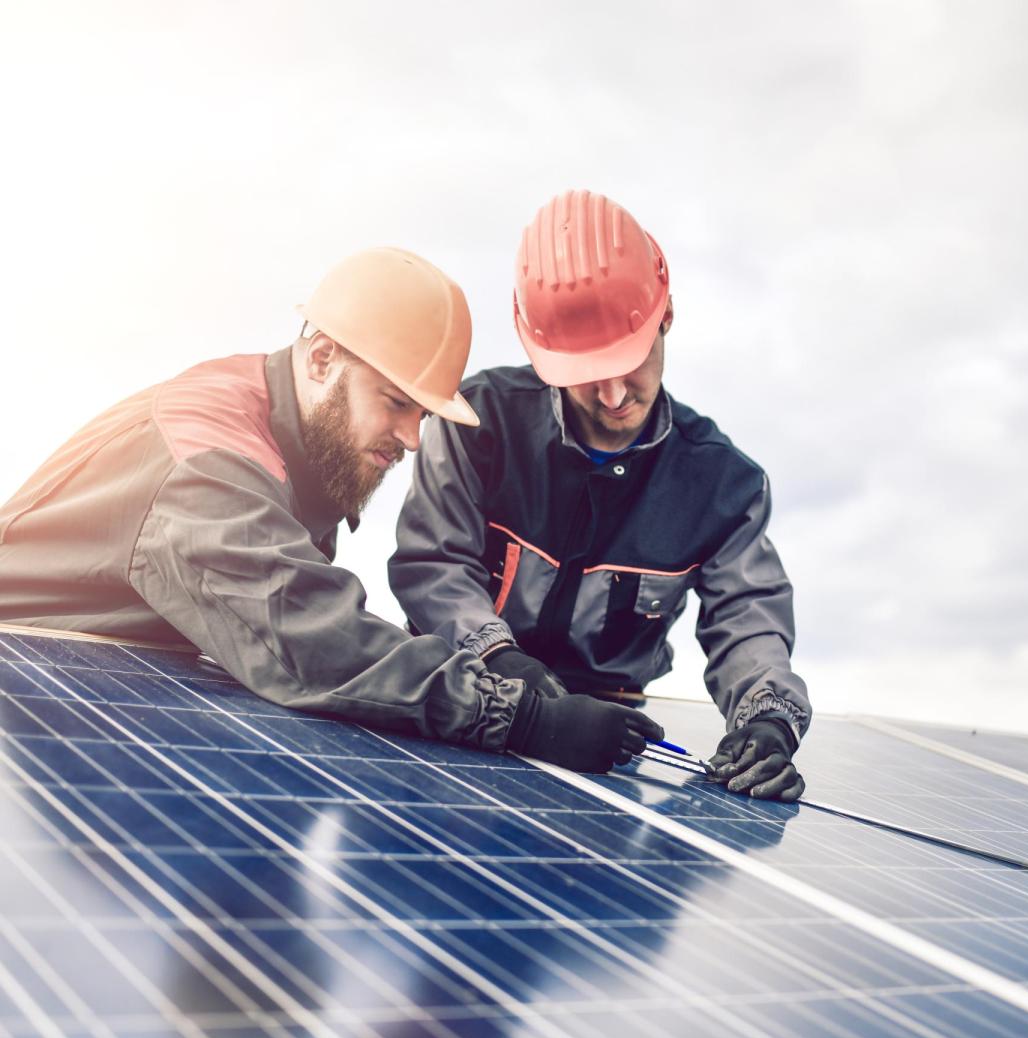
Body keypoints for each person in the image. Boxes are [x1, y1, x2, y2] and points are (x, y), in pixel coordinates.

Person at [0, 247, 660, 772]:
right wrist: (518, 717)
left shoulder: (298, 441)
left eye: (424, 414)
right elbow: (308, 635)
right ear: (322, 358)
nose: (413, 438)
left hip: (90, 693)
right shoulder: (208, 460)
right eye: (397, 402)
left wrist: (490, 662)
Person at [390, 192, 810, 801]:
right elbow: (434, 565)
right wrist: (500, 663)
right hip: (457, 711)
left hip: (610, 747)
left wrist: (768, 718)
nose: (613, 395)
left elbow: (749, 620)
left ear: (665, 316)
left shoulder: (723, 488)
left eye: (630, 360)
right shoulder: (479, 424)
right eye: (586, 373)